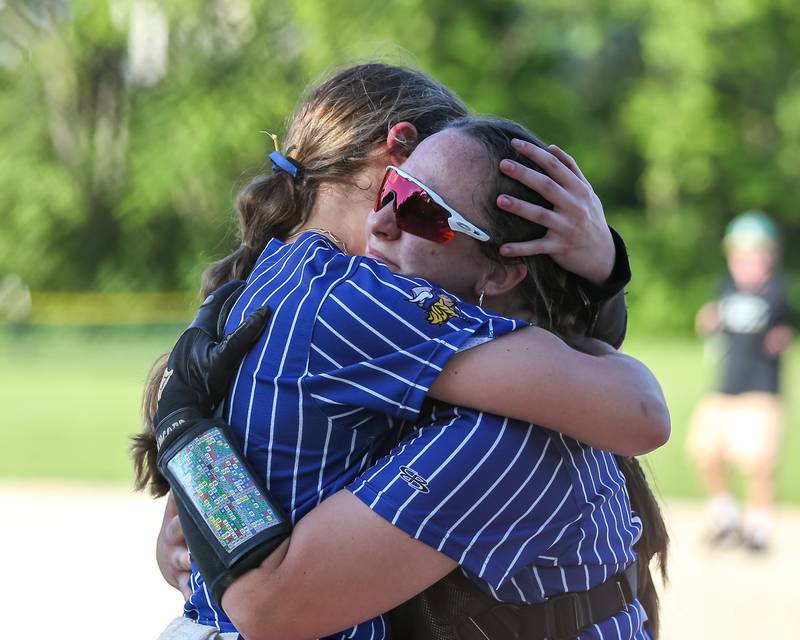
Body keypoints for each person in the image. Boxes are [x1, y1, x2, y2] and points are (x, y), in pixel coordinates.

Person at [133, 65, 669, 639]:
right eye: (397, 192)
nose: (389, 220)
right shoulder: (368, 300)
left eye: (423, 209)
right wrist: (599, 273)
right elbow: (633, 408)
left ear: (504, 270)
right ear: (398, 151)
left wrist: (189, 447)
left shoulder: (273, 277)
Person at [687, 211, 793, 552]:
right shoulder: (725, 287)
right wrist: (708, 319)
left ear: (770, 257)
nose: (746, 265)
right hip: (725, 388)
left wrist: (783, 335)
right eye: (739, 257)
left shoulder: (779, 292)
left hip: (761, 390)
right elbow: (714, 322)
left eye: (754, 257)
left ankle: (759, 527)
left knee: (758, 460)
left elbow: (787, 325)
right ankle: (725, 515)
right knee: (704, 451)